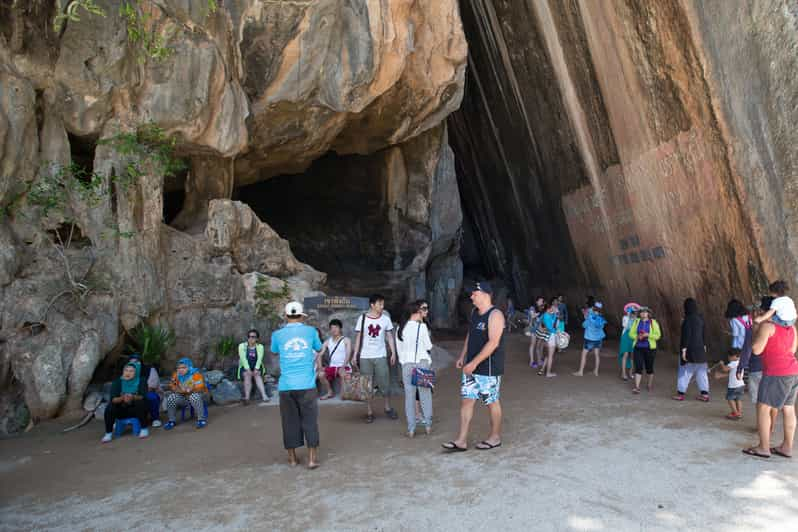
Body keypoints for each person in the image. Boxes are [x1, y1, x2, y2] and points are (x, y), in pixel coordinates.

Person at [442, 281, 505, 452]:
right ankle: (461, 440)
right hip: (471, 367)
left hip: (489, 369)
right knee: (467, 401)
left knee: (491, 401)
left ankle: (495, 437)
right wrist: (463, 356)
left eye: (474, 294)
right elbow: (471, 335)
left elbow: (493, 343)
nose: (471, 297)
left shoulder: (495, 315)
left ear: (485, 294)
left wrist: (474, 363)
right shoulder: (475, 313)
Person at [271, 301, 323, 469]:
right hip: (307, 384)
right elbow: (319, 347)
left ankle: (293, 459)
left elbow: (274, 350)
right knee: (310, 421)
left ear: (286, 316)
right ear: (301, 316)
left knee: (289, 421)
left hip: (286, 386)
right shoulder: (311, 331)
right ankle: (312, 459)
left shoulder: (277, 335)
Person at [741, 316, 798, 459]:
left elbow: (756, 350)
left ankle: (763, 447)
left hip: (775, 372)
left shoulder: (768, 327)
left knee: (763, 408)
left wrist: (756, 330)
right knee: (789, 408)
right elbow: (792, 349)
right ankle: (786, 447)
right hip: (792, 370)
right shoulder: (792, 328)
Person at [353, 294, 398, 423]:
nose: (382, 306)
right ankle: (369, 411)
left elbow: (389, 336)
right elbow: (358, 338)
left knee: (384, 381)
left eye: (383, 304)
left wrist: (393, 353)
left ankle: (387, 407)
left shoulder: (385, 319)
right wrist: (355, 354)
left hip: (381, 355)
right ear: (372, 305)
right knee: (367, 384)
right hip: (365, 356)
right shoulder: (362, 319)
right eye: (380, 304)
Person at [396, 300, 433, 437]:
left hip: (407, 364)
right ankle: (428, 425)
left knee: (409, 397)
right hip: (422, 363)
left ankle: (411, 428)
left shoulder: (401, 328)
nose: (426, 311)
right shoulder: (422, 327)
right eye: (424, 308)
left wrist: (404, 362)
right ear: (417, 311)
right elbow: (429, 346)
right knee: (425, 395)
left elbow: (399, 348)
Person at [102, 360, 150, 442]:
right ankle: (108, 433)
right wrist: (122, 398)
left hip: (136, 410)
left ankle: (144, 428)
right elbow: (113, 399)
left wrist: (133, 397)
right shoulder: (118, 382)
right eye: (126, 370)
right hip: (122, 409)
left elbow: (142, 396)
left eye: (131, 371)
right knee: (110, 407)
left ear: (136, 372)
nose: (128, 373)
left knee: (141, 402)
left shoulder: (141, 380)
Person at [672, 298, 710, 402]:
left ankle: (680, 393)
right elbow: (704, 334)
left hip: (690, 350)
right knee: (702, 373)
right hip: (701, 350)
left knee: (685, 373)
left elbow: (686, 336)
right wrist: (704, 346)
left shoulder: (687, 320)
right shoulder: (701, 318)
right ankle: (705, 394)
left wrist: (683, 350)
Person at [737, 298, 767, 414]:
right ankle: (770, 426)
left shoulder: (751, 330)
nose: (754, 314)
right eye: (753, 312)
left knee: (759, 401)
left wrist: (740, 368)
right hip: (770, 368)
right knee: (769, 401)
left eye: (757, 311)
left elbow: (747, 350)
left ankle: (762, 426)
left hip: (756, 368)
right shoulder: (774, 328)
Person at [164, 358, 208, 430]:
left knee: (194, 396)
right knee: (171, 397)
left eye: (184, 367)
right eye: (179, 368)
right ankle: (171, 421)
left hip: (197, 396)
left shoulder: (195, 374)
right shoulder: (176, 375)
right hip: (184, 397)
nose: (181, 370)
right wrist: (178, 389)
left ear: (189, 367)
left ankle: (201, 420)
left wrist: (190, 389)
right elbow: (172, 385)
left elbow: (200, 386)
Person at [629, 307, 661, 394]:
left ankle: (649, 384)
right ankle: (637, 387)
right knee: (638, 367)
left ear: (648, 314)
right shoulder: (636, 322)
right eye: (641, 312)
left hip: (650, 348)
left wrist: (648, 334)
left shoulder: (653, 322)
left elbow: (658, 335)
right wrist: (637, 336)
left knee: (649, 368)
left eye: (645, 312)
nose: (643, 314)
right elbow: (630, 333)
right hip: (638, 347)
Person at [317, 319, 351, 400]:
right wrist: (320, 368)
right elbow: (319, 355)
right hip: (332, 367)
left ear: (340, 329)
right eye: (332, 328)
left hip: (344, 366)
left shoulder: (346, 340)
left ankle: (344, 393)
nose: (334, 330)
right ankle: (329, 392)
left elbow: (348, 354)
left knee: (343, 374)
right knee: (321, 375)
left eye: (336, 327)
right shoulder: (328, 341)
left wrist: (343, 366)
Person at [127, 352, 163, 427]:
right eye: (131, 362)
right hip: (135, 394)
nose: (134, 364)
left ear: (141, 362)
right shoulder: (128, 371)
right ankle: (124, 419)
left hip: (150, 393)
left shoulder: (150, 370)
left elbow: (151, 387)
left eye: (137, 361)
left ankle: (155, 419)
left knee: (151, 396)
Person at [574, 302, 606, 376]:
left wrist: (586, 316)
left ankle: (580, 372)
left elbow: (584, 325)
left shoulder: (590, 317)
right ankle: (596, 371)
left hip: (589, 338)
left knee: (584, 354)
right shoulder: (601, 318)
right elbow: (602, 327)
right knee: (597, 355)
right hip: (598, 338)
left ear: (594, 308)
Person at [238, 329, 269, 405]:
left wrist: (256, 368)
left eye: (253, 337)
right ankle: (247, 398)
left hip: (256, 366)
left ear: (257, 338)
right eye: (249, 336)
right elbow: (243, 358)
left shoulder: (260, 347)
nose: (251, 338)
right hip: (245, 367)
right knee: (247, 375)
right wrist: (248, 369)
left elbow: (259, 358)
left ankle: (264, 395)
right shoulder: (242, 346)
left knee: (257, 375)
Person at [537, 299, 564, 377]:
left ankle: (542, 370)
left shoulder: (547, 315)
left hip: (547, 337)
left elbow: (555, 320)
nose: (553, 309)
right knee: (551, 356)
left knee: (548, 355)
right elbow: (550, 328)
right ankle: (548, 373)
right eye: (551, 309)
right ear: (548, 309)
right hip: (550, 337)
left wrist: (555, 314)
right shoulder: (546, 316)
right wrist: (558, 332)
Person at [716, 349, 745, 420]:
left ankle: (735, 413)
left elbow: (725, 369)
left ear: (734, 356)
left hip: (733, 386)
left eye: (729, 357)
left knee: (730, 399)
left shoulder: (733, 363)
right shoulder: (740, 362)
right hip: (741, 385)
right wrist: (720, 376)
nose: (728, 358)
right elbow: (731, 373)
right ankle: (739, 413)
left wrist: (722, 364)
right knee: (738, 399)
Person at [618, 307, 637, 380]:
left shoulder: (637, 320)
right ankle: (623, 373)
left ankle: (630, 372)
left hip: (633, 337)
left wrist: (635, 320)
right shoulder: (625, 317)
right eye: (632, 312)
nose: (633, 314)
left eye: (634, 312)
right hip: (626, 336)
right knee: (625, 354)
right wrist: (629, 317)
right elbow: (625, 325)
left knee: (632, 355)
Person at [528, 296, 547, 368]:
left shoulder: (541, 309)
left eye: (542, 301)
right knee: (533, 344)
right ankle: (531, 361)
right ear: (536, 301)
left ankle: (539, 360)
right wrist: (541, 312)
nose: (541, 302)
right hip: (533, 329)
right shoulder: (532, 308)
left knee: (539, 345)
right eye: (540, 301)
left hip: (539, 329)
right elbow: (532, 316)